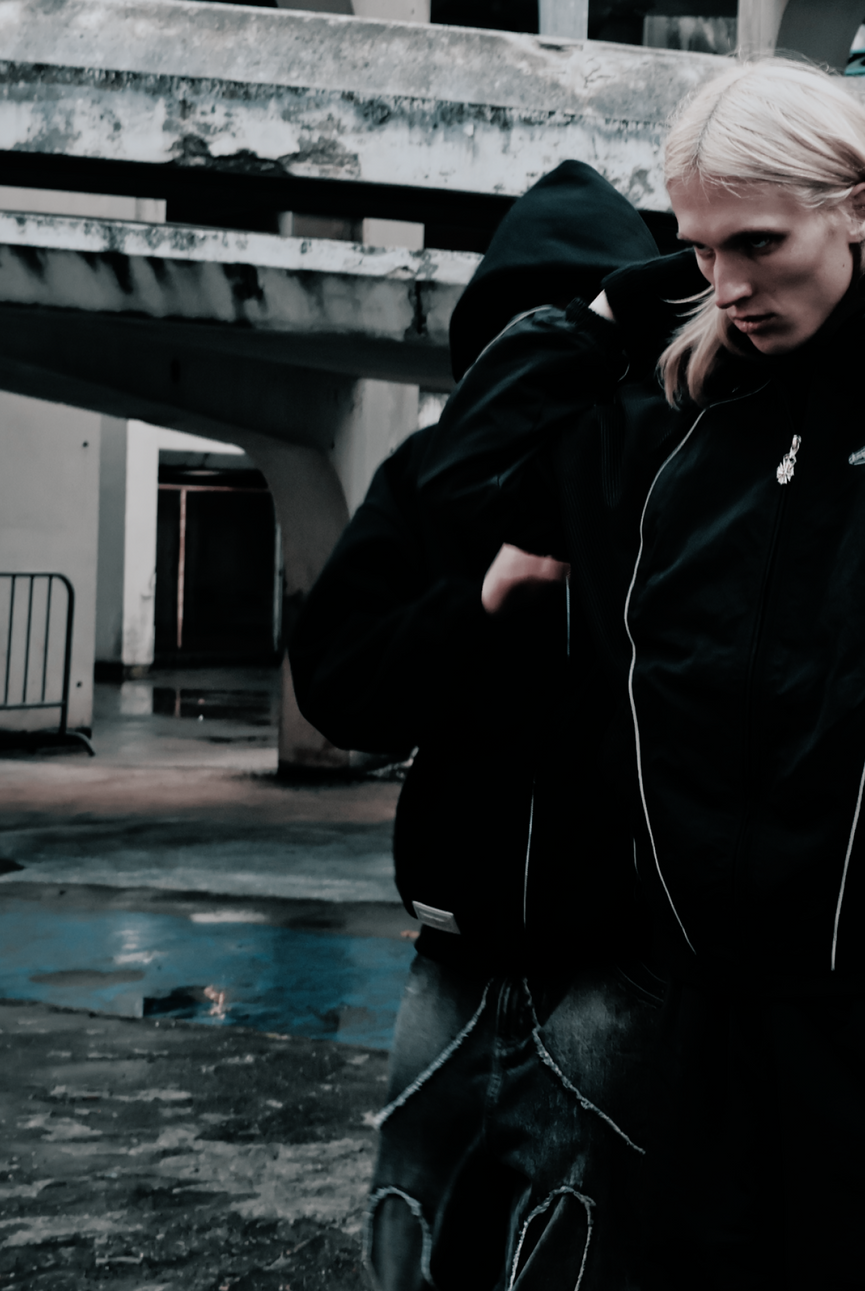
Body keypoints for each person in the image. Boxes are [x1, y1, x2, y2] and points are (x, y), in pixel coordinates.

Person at [417, 58, 865, 1288]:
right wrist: (596, 316)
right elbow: (450, 492)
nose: (728, 286)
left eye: (757, 242)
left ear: (858, 210)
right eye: (699, 250)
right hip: (693, 1020)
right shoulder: (669, 421)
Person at [289, 161, 676, 1290]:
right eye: (521, 328)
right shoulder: (428, 475)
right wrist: (482, 598)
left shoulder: (675, 469)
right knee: (413, 1234)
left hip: (618, 960)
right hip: (453, 954)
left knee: (590, 1242)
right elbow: (338, 684)